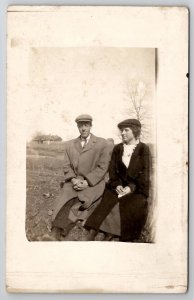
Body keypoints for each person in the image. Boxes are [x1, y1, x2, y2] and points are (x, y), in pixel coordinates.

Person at [84, 118, 150, 242]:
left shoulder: (143, 149)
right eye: (121, 130)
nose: (122, 133)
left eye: (126, 130)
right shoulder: (118, 148)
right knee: (108, 201)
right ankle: (94, 232)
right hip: (117, 186)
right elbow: (112, 170)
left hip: (136, 188)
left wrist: (130, 187)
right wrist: (117, 184)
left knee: (132, 205)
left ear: (135, 131)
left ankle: (111, 233)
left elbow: (144, 174)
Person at [50, 114, 110, 240]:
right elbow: (66, 166)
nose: (83, 128)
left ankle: (62, 228)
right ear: (77, 126)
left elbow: (103, 167)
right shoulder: (70, 145)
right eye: (80, 125)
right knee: (65, 200)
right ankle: (56, 229)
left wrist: (87, 182)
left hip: (94, 183)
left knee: (80, 202)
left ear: (91, 126)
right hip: (74, 182)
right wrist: (73, 179)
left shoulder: (102, 143)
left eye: (86, 125)